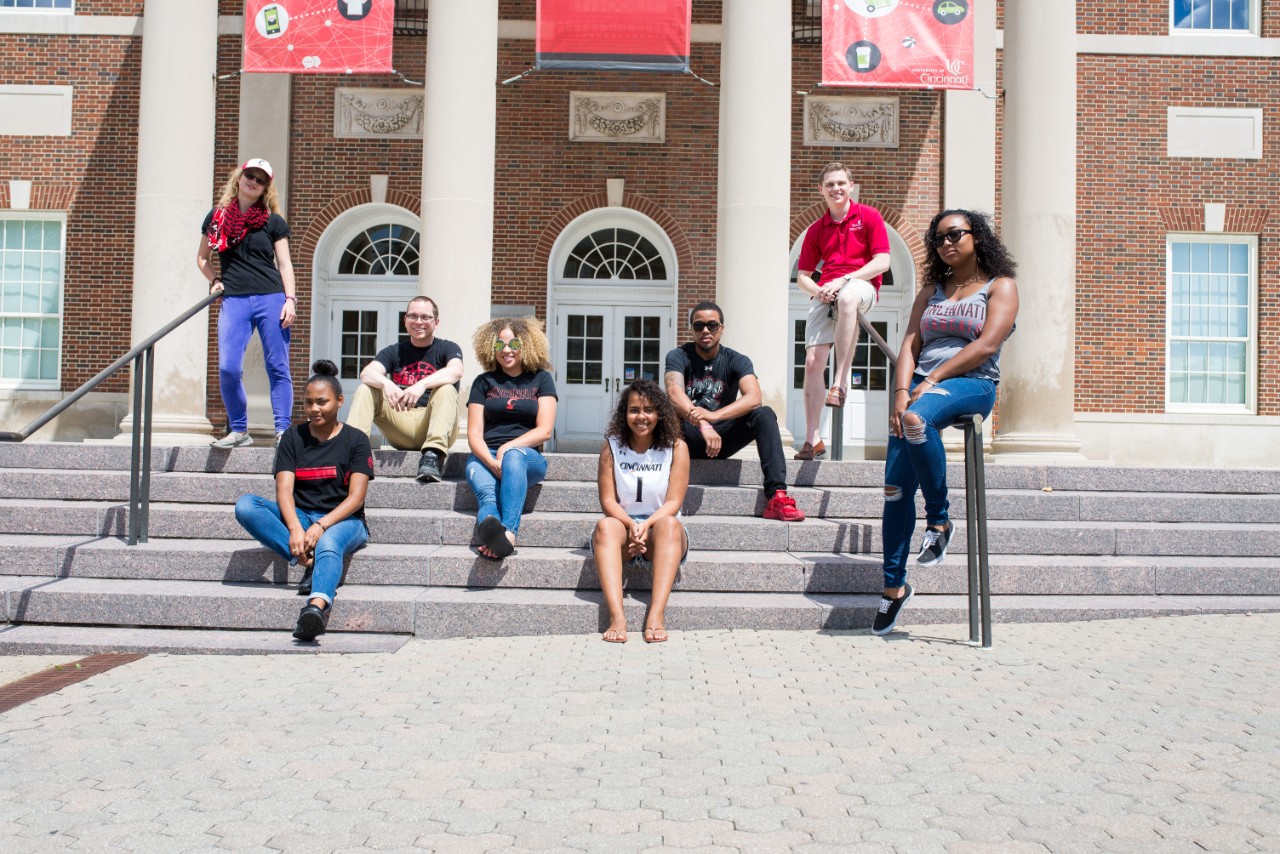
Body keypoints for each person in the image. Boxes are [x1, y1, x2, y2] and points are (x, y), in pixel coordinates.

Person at [874, 209, 1019, 636]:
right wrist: (900, 394)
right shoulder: (932, 291)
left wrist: (932, 380)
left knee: (918, 420)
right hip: (919, 386)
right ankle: (893, 589)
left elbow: (988, 343)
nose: (946, 243)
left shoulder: (999, 286)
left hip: (971, 383)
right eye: (938, 239)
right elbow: (909, 346)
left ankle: (939, 520)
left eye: (955, 234)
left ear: (978, 237)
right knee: (894, 489)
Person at [234, 360, 374, 641]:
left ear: (339, 401)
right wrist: (296, 529)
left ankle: (316, 608)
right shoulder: (292, 438)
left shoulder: (356, 440)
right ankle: (308, 562)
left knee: (330, 542)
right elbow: (284, 490)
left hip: (345, 520)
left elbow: (356, 497)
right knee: (246, 506)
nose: (314, 409)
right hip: (301, 514)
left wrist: (321, 525)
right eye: (308, 403)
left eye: (322, 402)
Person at [664, 301, 805, 522]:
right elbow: (674, 392)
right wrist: (703, 423)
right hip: (686, 437)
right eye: (698, 326)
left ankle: (777, 497)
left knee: (765, 414)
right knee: (664, 411)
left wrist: (713, 417)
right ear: (691, 328)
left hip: (721, 438)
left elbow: (754, 397)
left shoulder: (736, 360)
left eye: (712, 325)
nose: (705, 331)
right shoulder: (678, 356)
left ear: (722, 328)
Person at [197, 158, 297, 448]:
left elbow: (285, 264)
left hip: (271, 297)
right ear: (239, 178)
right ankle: (239, 429)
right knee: (228, 367)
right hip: (235, 299)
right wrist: (214, 280)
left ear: (266, 187)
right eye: (249, 175)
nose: (253, 181)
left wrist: (290, 299)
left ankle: (282, 430)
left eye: (260, 179)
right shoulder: (216, 217)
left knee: (278, 366)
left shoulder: (272, 221)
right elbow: (202, 258)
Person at [794, 162, 891, 460]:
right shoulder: (816, 229)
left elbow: (883, 262)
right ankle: (813, 438)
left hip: (861, 285)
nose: (836, 189)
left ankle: (840, 381)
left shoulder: (869, 216)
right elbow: (802, 277)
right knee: (811, 362)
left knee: (848, 299)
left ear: (851, 186)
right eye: (829, 185)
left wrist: (845, 279)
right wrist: (818, 290)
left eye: (840, 183)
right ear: (821, 190)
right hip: (827, 292)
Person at [592, 379, 690, 644]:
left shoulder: (676, 447)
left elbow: (673, 502)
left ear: (659, 413)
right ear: (625, 414)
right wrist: (632, 525)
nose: (641, 417)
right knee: (605, 526)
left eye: (648, 410)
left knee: (669, 524)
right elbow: (608, 501)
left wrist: (646, 525)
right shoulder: (612, 446)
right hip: (624, 530)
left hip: (661, 533)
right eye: (634, 410)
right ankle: (617, 617)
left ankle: (656, 616)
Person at [465, 316, 557, 560]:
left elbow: (545, 430)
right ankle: (492, 535)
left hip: (527, 457)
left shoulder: (541, 379)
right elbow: (474, 433)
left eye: (513, 345)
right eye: (499, 345)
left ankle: (509, 533)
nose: (506, 350)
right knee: (487, 496)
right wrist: (491, 461)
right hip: (486, 455)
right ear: (490, 348)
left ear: (526, 345)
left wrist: (508, 447)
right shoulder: (483, 382)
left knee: (514, 456)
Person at [346, 296, 463, 483]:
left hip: (435, 423)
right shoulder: (394, 351)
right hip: (401, 421)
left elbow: (456, 371)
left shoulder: (447, 348)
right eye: (413, 316)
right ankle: (352, 455)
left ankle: (432, 457)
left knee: (447, 389)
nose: (418, 322)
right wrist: (387, 383)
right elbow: (367, 373)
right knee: (365, 389)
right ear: (405, 320)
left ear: (436, 322)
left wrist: (422, 384)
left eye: (425, 317)